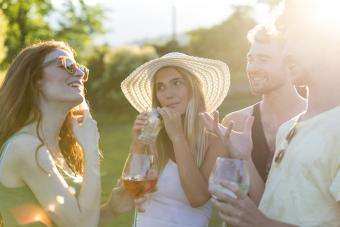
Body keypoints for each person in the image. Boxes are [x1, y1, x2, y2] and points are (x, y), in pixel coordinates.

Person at [207, 0, 340, 226]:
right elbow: (269, 208)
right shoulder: (289, 128)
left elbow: (263, 222)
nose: (287, 52)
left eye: (296, 40)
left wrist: (260, 223)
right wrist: (245, 157)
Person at [0, 40, 140, 227]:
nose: (81, 73)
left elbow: (76, 219)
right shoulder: (25, 147)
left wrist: (112, 209)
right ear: (36, 80)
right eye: (66, 64)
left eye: (80, 68)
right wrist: (90, 148)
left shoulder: (54, 147)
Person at [120, 52, 230, 227]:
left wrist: (178, 137)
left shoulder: (216, 143)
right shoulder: (153, 139)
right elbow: (127, 196)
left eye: (177, 83)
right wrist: (137, 145)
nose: (168, 94)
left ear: (194, 88)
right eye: (160, 87)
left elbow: (197, 198)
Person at [221, 23, 306, 183]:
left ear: (289, 63)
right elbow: (226, 190)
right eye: (250, 59)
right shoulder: (235, 123)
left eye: (263, 59)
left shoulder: (315, 118)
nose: (252, 68)